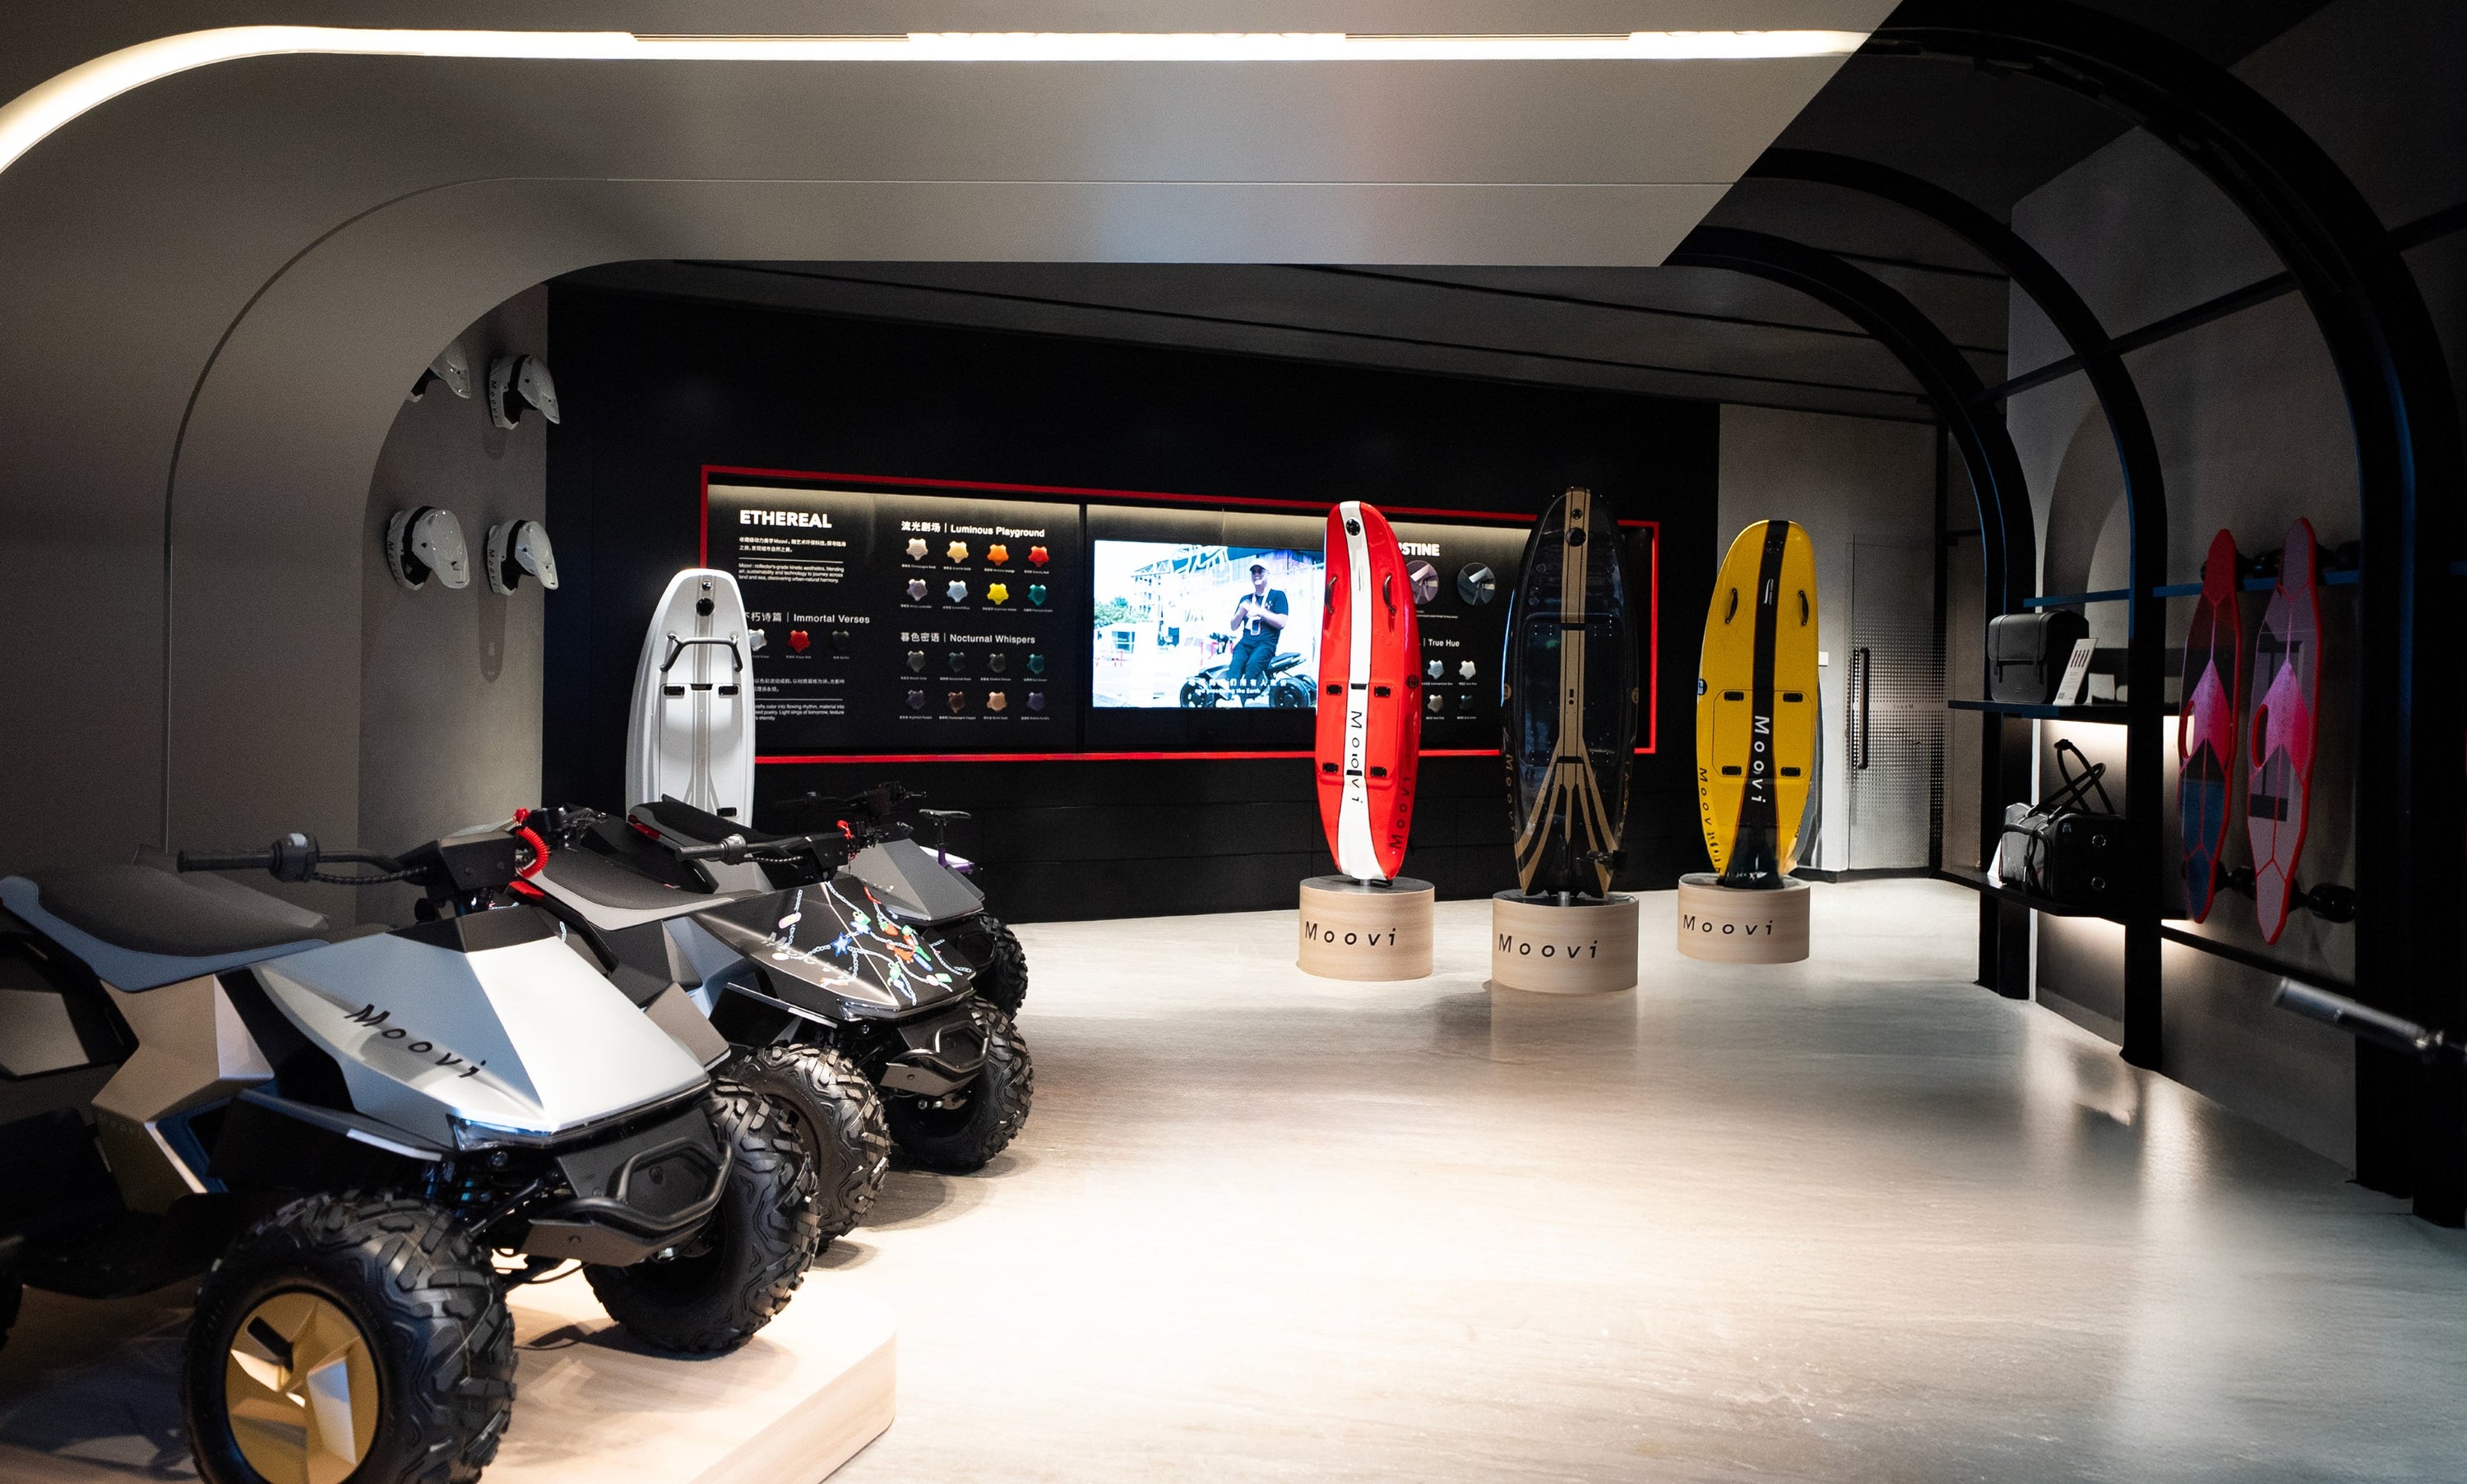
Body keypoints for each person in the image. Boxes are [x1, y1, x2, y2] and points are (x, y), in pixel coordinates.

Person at [1224, 561, 1289, 692]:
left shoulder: (1277, 595)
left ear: (1268, 573)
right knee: (1234, 667)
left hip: (1266, 643)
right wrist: (1240, 612)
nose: (1257, 574)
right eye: (1253, 572)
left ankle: (1242, 699)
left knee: (1252, 666)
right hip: (1245, 643)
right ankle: (1234, 696)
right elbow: (1233, 626)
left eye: (1260, 571)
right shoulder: (1246, 599)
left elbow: (1282, 622)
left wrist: (1260, 612)